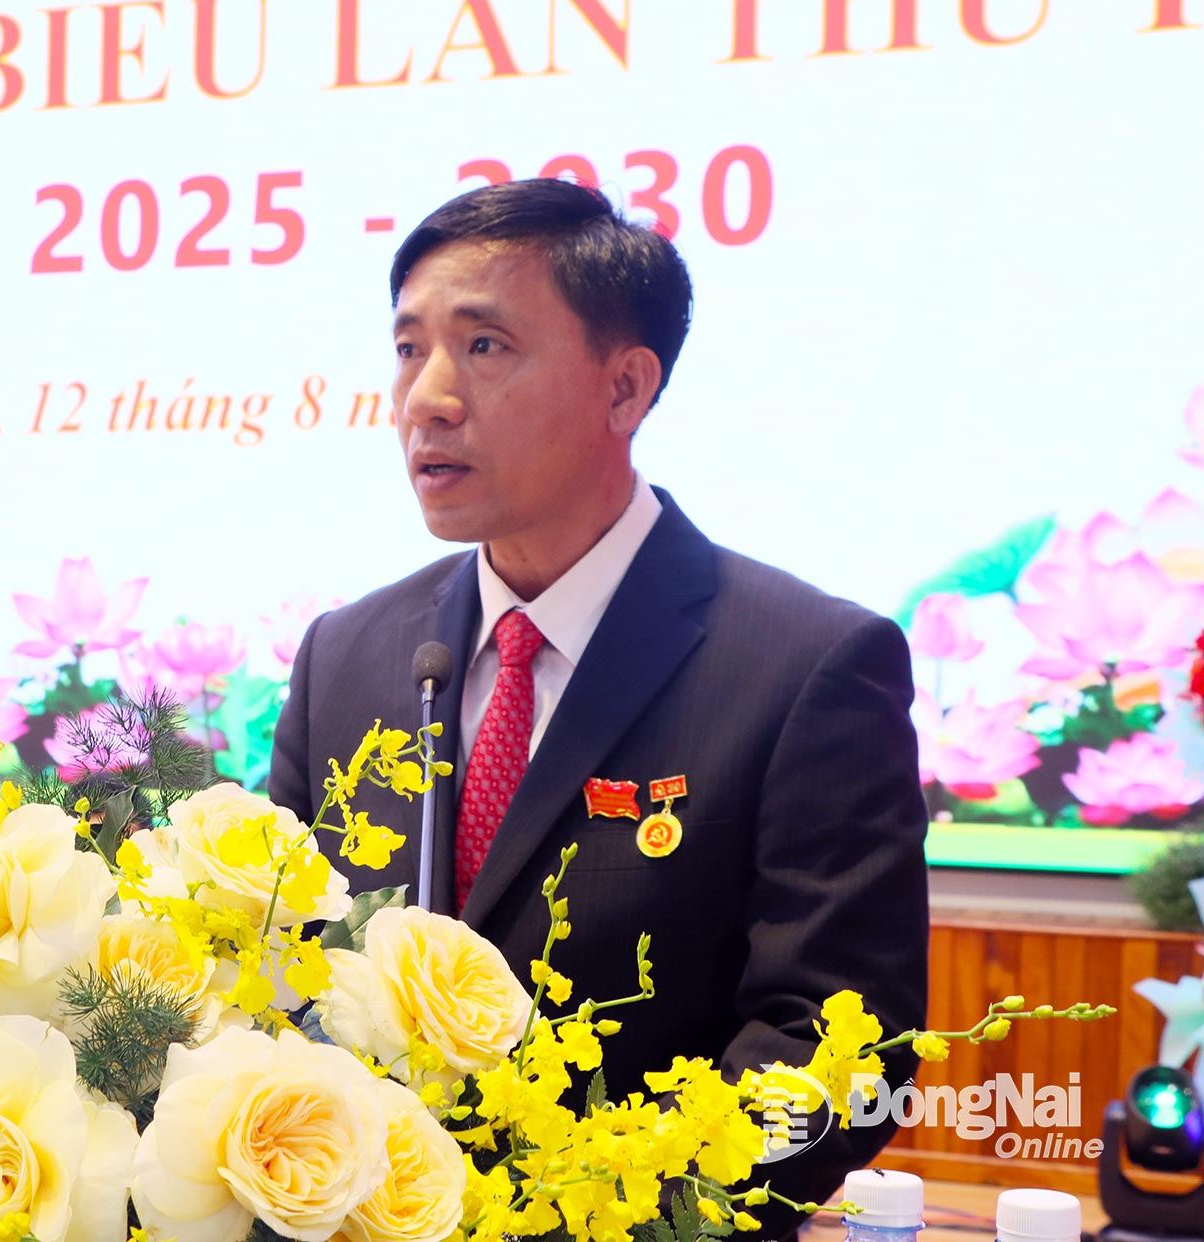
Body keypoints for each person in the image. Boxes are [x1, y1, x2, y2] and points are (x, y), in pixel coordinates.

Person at [266, 178, 928, 1237]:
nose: (426, 396)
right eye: (406, 349)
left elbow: (837, 1043)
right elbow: (280, 969)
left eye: (483, 347)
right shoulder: (346, 656)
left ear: (623, 388)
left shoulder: (805, 664)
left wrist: (620, 1214)